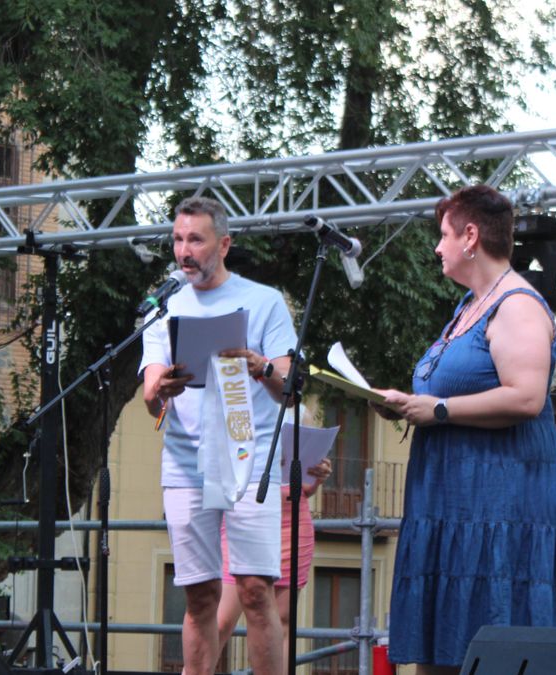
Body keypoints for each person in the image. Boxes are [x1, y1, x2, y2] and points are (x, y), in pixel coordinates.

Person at [370, 184, 556, 674]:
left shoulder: (518, 304)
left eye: (443, 235)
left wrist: (438, 410)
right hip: (453, 498)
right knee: (446, 645)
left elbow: (526, 396)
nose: (436, 247)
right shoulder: (469, 305)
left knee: (492, 643)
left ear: (470, 236)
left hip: (500, 501)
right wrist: (405, 404)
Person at [141, 196, 298, 675]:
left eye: (195, 240)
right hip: (187, 465)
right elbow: (149, 395)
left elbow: (290, 386)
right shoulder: (163, 308)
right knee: (201, 594)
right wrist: (160, 387)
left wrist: (261, 364)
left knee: (254, 590)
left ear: (224, 244)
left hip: (249, 462)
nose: (183, 251)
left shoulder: (264, 301)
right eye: (177, 239)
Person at [216, 457, 333, 671]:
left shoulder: (302, 420)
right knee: (221, 620)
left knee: (282, 622)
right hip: (244, 515)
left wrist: (317, 474)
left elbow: (304, 486)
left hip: (291, 522)